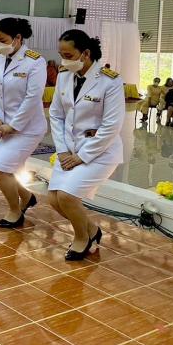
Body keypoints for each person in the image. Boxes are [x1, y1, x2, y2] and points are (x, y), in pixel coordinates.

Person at [48, 29, 125, 260]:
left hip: (100, 151)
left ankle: (82, 238)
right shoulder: (64, 75)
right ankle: (92, 230)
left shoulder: (110, 81)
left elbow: (112, 126)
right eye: (61, 55)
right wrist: (62, 150)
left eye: (69, 55)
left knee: (67, 197)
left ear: (86, 53)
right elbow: (56, 114)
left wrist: (82, 157)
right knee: (54, 199)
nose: (64, 61)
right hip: (69, 149)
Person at [0, 18, 47, 228]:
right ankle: (27, 197)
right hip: (1, 127)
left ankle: (15, 211)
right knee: (1, 170)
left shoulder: (35, 62)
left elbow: (33, 98)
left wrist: (12, 126)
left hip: (26, 129)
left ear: (18, 38)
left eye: (2, 40)